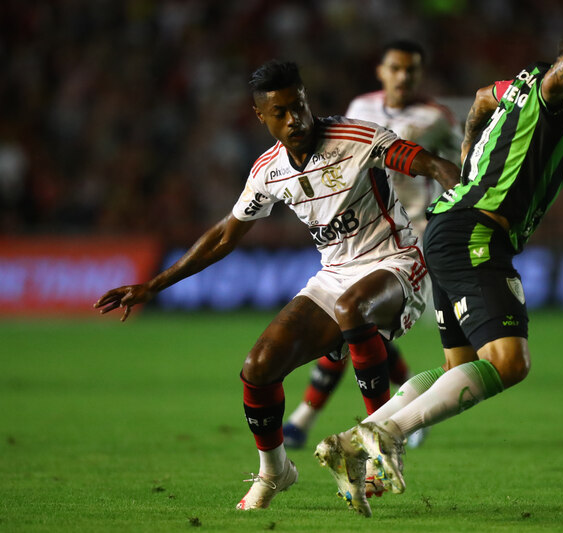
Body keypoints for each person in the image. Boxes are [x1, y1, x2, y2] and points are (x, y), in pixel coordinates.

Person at [315, 0, 563, 517]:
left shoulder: (522, 86)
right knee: (510, 363)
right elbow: (554, 78)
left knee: (459, 366)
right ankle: (388, 431)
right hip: (475, 233)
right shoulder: (558, 87)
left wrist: (469, 146)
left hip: (452, 226)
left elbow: (480, 98)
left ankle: (353, 443)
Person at [93, 60, 460, 513]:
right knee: (258, 366)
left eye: (299, 106)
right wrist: (155, 284)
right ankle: (275, 471)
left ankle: (381, 438)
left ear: (307, 100)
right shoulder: (268, 170)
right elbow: (227, 234)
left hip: (397, 262)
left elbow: (425, 161)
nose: (295, 120)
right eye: (281, 113)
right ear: (260, 117)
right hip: (335, 277)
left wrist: (458, 190)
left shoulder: (358, 138)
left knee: (352, 309)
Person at [283, 39, 461, 451]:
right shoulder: (359, 109)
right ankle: (403, 415)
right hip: (361, 237)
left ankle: (307, 419)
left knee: (355, 328)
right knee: (358, 331)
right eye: (395, 68)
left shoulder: (436, 117)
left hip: (410, 239)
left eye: (411, 70)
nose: (403, 77)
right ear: (381, 71)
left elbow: (459, 165)